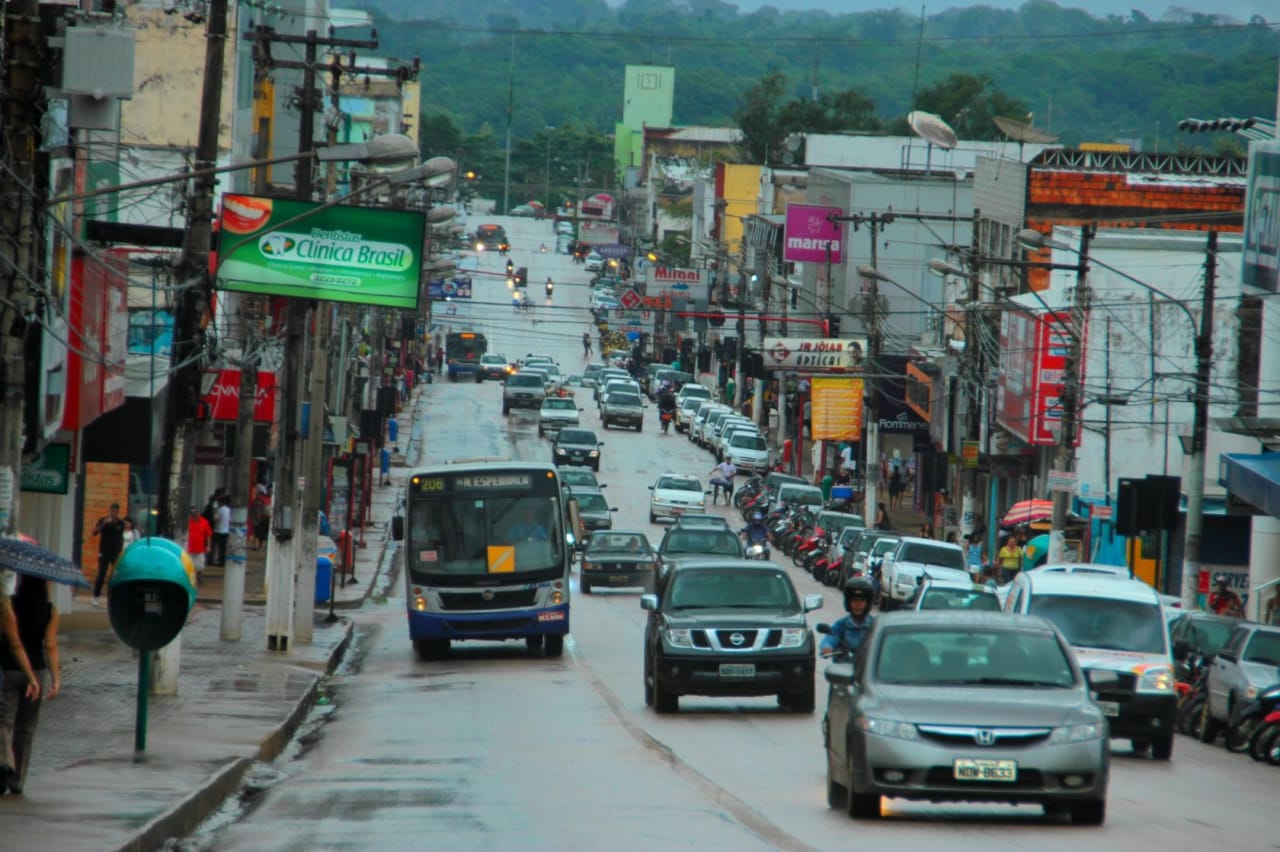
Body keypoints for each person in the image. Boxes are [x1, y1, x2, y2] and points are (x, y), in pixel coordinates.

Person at [0, 574, 58, 795]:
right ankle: (18, 781)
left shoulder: (8, 605)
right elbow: (50, 646)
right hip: (38, 671)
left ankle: (5, 764)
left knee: (3, 721)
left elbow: (13, 642)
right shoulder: (50, 610)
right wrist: (56, 679)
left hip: (10, 669)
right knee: (26, 727)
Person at [820, 577, 876, 659]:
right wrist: (826, 648)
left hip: (867, 668)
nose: (858, 604)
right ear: (848, 602)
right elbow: (830, 638)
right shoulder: (842, 625)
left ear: (868, 603)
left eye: (862, 600)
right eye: (854, 600)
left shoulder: (874, 625)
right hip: (843, 668)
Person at [90, 502, 126, 607]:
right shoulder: (103, 520)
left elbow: (120, 537)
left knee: (116, 575)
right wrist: (104, 524)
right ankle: (95, 597)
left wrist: (120, 550)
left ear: (118, 511)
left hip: (115, 553)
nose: (113, 513)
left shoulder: (120, 523)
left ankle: (115, 597)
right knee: (101, 574)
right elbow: (94, 532)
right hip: (104, 552)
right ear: (109, 510)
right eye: (112, 510)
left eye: (115, 511)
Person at [186, 508, 212, 586]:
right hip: (190, 548)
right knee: (190, 565)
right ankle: (192, 579)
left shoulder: (204, 522)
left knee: (200, 565)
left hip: (200, 548)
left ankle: (199, 576)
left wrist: (208, 545)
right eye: (192, 513)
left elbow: (208, 534)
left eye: (196, 513)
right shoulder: (188, 522)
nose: (194, 515)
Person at [211, 497, 231, 568]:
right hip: (226, 531)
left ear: (221, 502)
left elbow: (214, 518)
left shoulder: (219, 510)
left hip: (218, 530)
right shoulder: (229, 510)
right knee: (223, 548)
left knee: (215, 547)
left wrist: (214, 510)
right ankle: (222, 561)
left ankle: (215, 560)